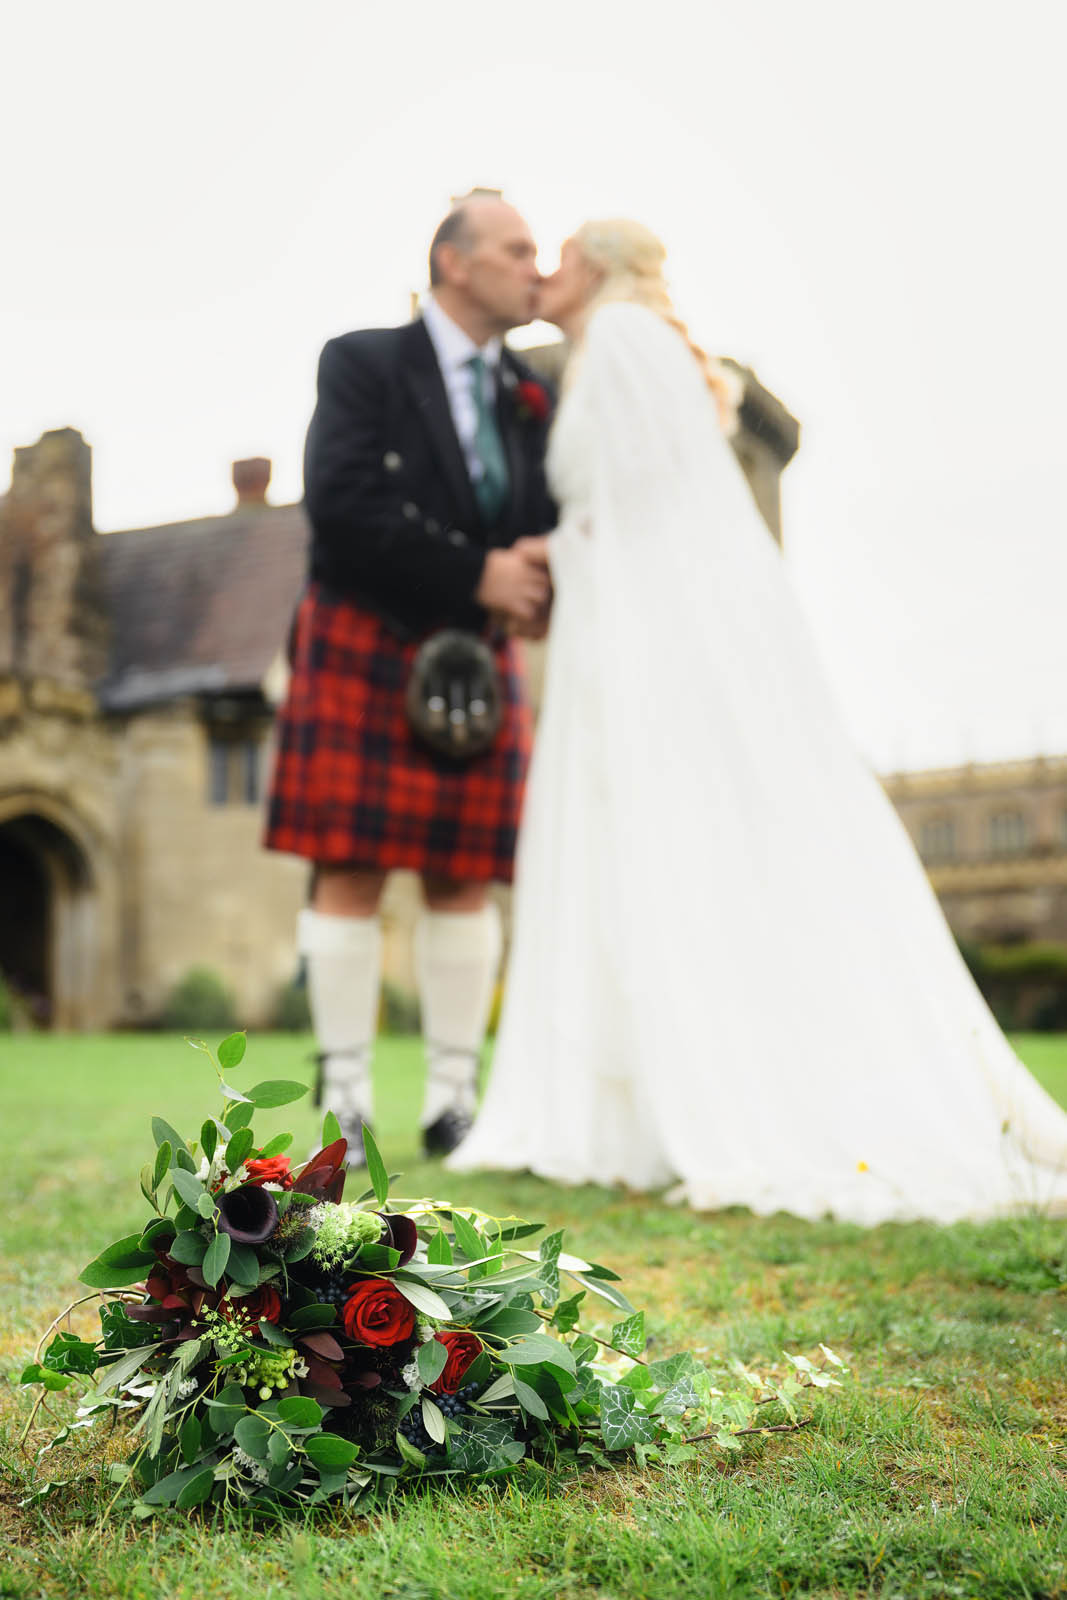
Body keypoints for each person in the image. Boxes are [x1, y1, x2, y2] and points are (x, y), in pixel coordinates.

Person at [447, 219, 1067, 1224]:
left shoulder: (625, 341)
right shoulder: (620, 344)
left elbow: (647, 512)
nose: (541, 274)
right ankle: (627, 1112)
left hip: (636, 644)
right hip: (614, 638)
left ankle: (723, 1104)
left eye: (554, 255)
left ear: (596, 267)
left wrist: (555, 556)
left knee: (662, 849)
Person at [264, 196, 556, 1162]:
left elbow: (535, 518)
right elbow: (342, 507)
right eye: (517, 250)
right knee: (348, 869)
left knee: (463, 877)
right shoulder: (364, 361)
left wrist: (539, 581)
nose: (534, 267)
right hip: (368, 632)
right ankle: (342, 1098)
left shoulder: (528, 394)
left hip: (474, 655)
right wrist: (478, 573)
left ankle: (450, 1102)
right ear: (454, 261)